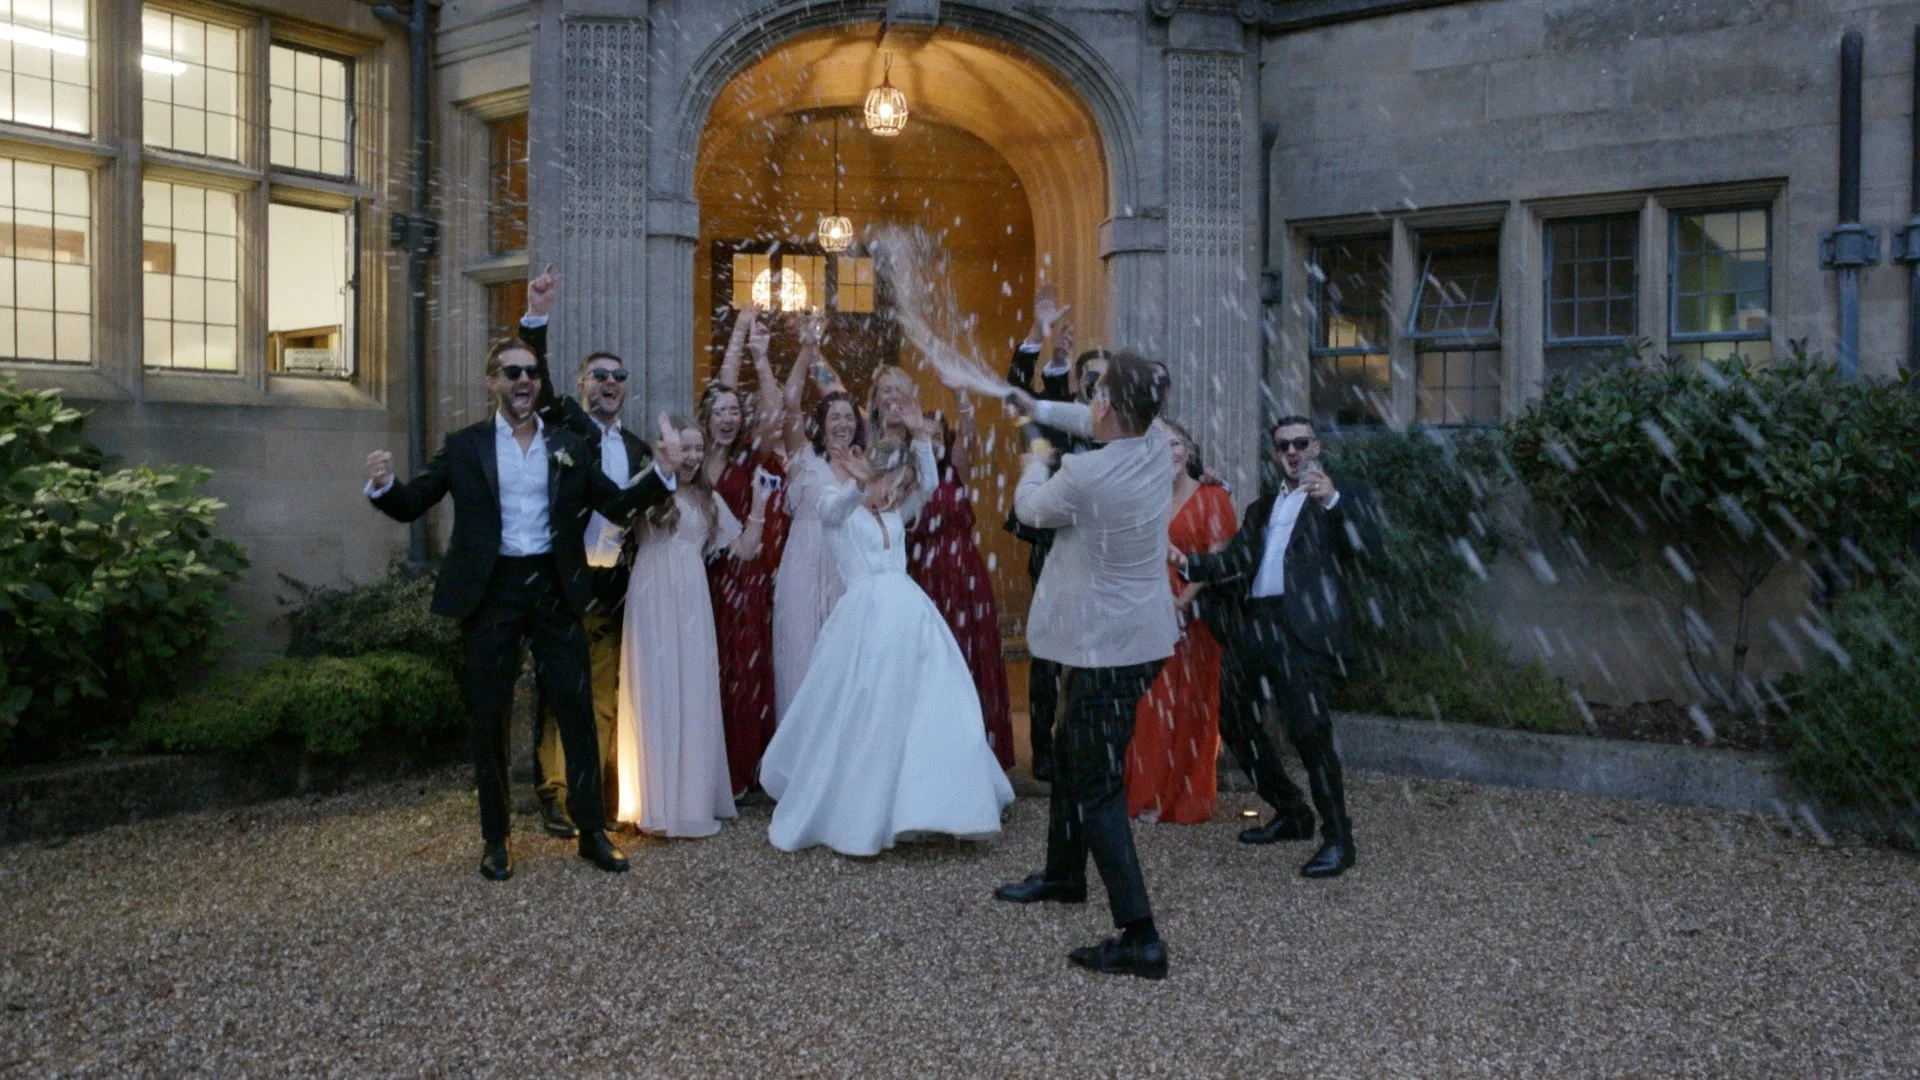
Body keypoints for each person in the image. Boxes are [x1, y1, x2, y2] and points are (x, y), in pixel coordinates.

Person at [363, 337, 678, 881]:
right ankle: (496, 837)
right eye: (512, 372)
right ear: (493, 382)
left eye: (532, 371)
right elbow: (414, 502)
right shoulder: (465, 446)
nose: (524, 380)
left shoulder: (567, 443)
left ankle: (592, 832)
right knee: (489, 716)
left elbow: (617, 505)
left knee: (577, 712)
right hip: (492, 592)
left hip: (555, 589)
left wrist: (662, 474)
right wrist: (383, 485)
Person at [994, 352, 1179, 981]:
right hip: (1136, 638)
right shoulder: (1157, 441)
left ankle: (1140, 935)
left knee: (1097, 784)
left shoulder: (1085, 475)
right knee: (1071, 746)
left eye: (1095, 394)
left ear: (1110, 408)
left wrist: (1032, 459)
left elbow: (1029, 511)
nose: (1090, 401)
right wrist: (1039, 407)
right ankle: (1065, 874)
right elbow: (1096, 416)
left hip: (1105, 648)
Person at [760, 429, 1015, 856]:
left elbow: (931, 485)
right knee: (869, 709)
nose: (894, 493)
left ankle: (927, 803)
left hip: (912, 617)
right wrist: (858, 484)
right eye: (889, 483)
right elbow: (835, 510)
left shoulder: (897, 513)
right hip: (864, 620)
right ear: (873, 476)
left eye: (900, 486)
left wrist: (919, 438)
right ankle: (861, 808)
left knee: (927, 706)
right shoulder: (837, 507)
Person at [1172, 416, 1382, 878]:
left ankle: (1338, 839)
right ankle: (1291, 811)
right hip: (1256, 626)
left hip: (1303, 630)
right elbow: (1238, 559)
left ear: (1316, 448)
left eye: (1301, 444)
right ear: (1273, 454)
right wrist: (1190, 563)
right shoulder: (1261, 508)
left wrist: (1334, 502)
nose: (1293, 452)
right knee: (1232, 718)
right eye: (1284, 446)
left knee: (1310, 732)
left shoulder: (1341, 499)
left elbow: (1370, 549)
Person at [615, 413, 773, 838]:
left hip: (693, 600)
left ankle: (690, 801)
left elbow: (744, 549)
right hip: (652, 591)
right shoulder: (647, 485)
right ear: (666, 449)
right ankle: (654, 803)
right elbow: (613, 524)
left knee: (692, 686)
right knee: (657, 685)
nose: (693, 456)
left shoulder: (707, 497)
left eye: (698, 449)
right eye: (685, 447)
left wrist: (759, 505)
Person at [866, 365, 1014, 769]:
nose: (928, 440)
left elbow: (970, 437)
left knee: (966, 656)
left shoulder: (951, 467)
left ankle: (974, 757)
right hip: (913, 570)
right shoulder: (882, 453)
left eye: (934, 435)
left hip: (959, 571)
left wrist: (961, 397)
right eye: (885, 392)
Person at [1004, 286, 1107, 782]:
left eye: (1105, 381)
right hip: (1055, 550)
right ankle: (1042, 747)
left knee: (1099, 653)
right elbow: (1015, 392)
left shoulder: (1128, 434)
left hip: (1107, 558)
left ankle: (1089, 744)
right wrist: (1038, 337)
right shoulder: (1062, 418)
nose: (1097, 388)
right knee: (1046, 652)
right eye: (1090, 378)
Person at [1123, 421, 1234, 825]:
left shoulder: (1212, 495)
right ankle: (1147, 793)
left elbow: (1217, 558)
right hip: (1146, 606)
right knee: (1148, 702)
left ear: (1187, 450)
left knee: (1188, 702)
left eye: (1174, 443)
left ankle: (1182, 795)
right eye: (1157, 444)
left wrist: (1181, 602)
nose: (1168, 452)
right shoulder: (1142, 495)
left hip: (1194, 614)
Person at [704, 310, 788, 796]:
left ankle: (746, 767)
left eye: (735, 412)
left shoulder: (748, 455)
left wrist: (760, 355)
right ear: (708, 416)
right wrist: (736, 332)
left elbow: (775, 411)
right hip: (704, 579)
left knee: (745, 668)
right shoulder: (696, 461)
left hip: (745, 578)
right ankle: (713, 766)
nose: (729, 417)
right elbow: (722, 389)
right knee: (709, 667)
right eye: (721, 411)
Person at [771, 311, 866, 718]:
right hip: (805, 560)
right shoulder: (802, 458)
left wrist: (820, 354)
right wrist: (807, 349)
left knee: (843, 654)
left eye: (849, 417)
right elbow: (789, 400)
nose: (843, 422)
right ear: (822, 423)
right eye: (835, 416)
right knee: (801, 649)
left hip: (846, 562)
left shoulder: (863, 462)